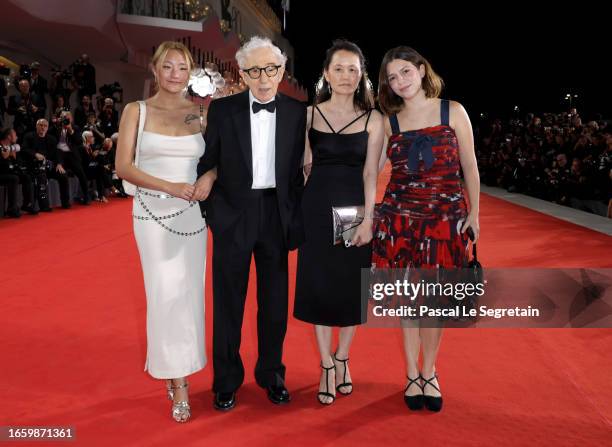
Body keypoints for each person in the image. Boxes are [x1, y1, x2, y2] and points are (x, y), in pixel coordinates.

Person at [196, 35, 306, 411]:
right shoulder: (223, 110)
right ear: (242, 73)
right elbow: (207, 162)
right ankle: (226, 380)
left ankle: (272, 373)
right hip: (233, 215)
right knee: (229, 302)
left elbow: (297, 172)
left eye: (271, 69)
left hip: (276, 213)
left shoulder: (296, 111)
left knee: (274, 303)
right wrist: (214, 212)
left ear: (281, 71)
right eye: (255, 70)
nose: (263, 78)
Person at [374, 46, 480, 412]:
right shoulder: (389, 120)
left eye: (405, 72)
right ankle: (410, 374)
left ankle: (429, 371)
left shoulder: (453, 111)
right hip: (400, 219)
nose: (400, 81)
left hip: (445, 219)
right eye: (392, 77)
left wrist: (475, 214)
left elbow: (470, 165)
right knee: (407, 301)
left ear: (421, 70)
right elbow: (369, 170)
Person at [115, 41, 209, 423]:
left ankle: (182, 367)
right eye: (168, 67)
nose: (175, 74)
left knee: (189, 295)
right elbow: (123, 166)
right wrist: (168, 187)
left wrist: (210, 178)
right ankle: (179, 382)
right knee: (164, 294)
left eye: (182, 68)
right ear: (154, 70)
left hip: (193, 217)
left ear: (190, 73)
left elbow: (217, 160)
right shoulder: (136, 111)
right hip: (152, 215)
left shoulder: (200, 113)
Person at [293, 40, 383, 405]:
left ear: (362, 74)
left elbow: (371, 173)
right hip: (315, 208)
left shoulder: (373, 119)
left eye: (353, 69)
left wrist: (369, 218)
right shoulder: (309, 116)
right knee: (318, 284)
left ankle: (343, 357)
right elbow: (301, 165)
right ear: (326, 74)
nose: (346, 76)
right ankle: (326, 363)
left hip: (353, 210)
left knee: (349, 285)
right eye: (339, 69)